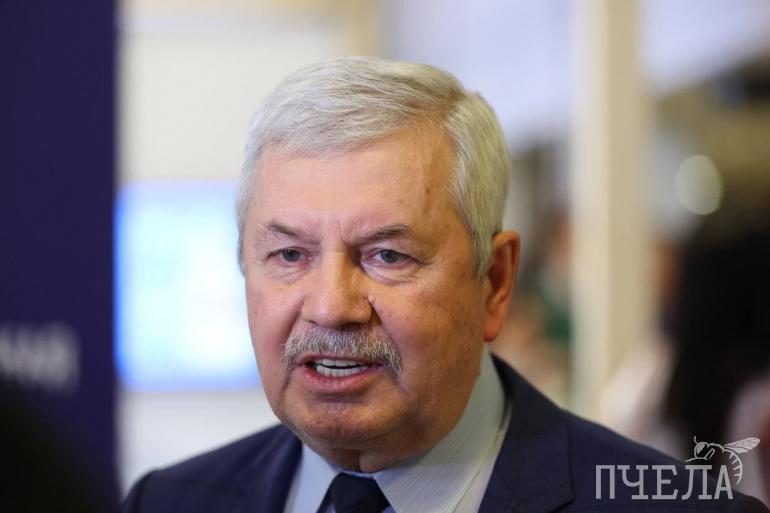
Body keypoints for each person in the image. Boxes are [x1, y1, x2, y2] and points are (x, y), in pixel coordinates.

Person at [122, 57, 769, 513]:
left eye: (386, 255)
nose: (330, 306)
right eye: (289, 254)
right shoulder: (167, 502)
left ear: (495, 281)